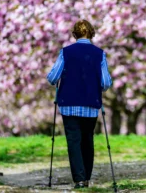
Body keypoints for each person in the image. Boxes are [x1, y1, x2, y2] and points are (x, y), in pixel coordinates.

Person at [47, 20, 112, 189]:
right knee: (87, 140)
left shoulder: (65, 52)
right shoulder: (99, 54)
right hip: (91, 104)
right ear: (91, 33)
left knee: (73, 142)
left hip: (68, 104)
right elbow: (105, 82)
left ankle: (80, 179)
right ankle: (87, 177)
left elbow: (53, 77)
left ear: (74, 34)